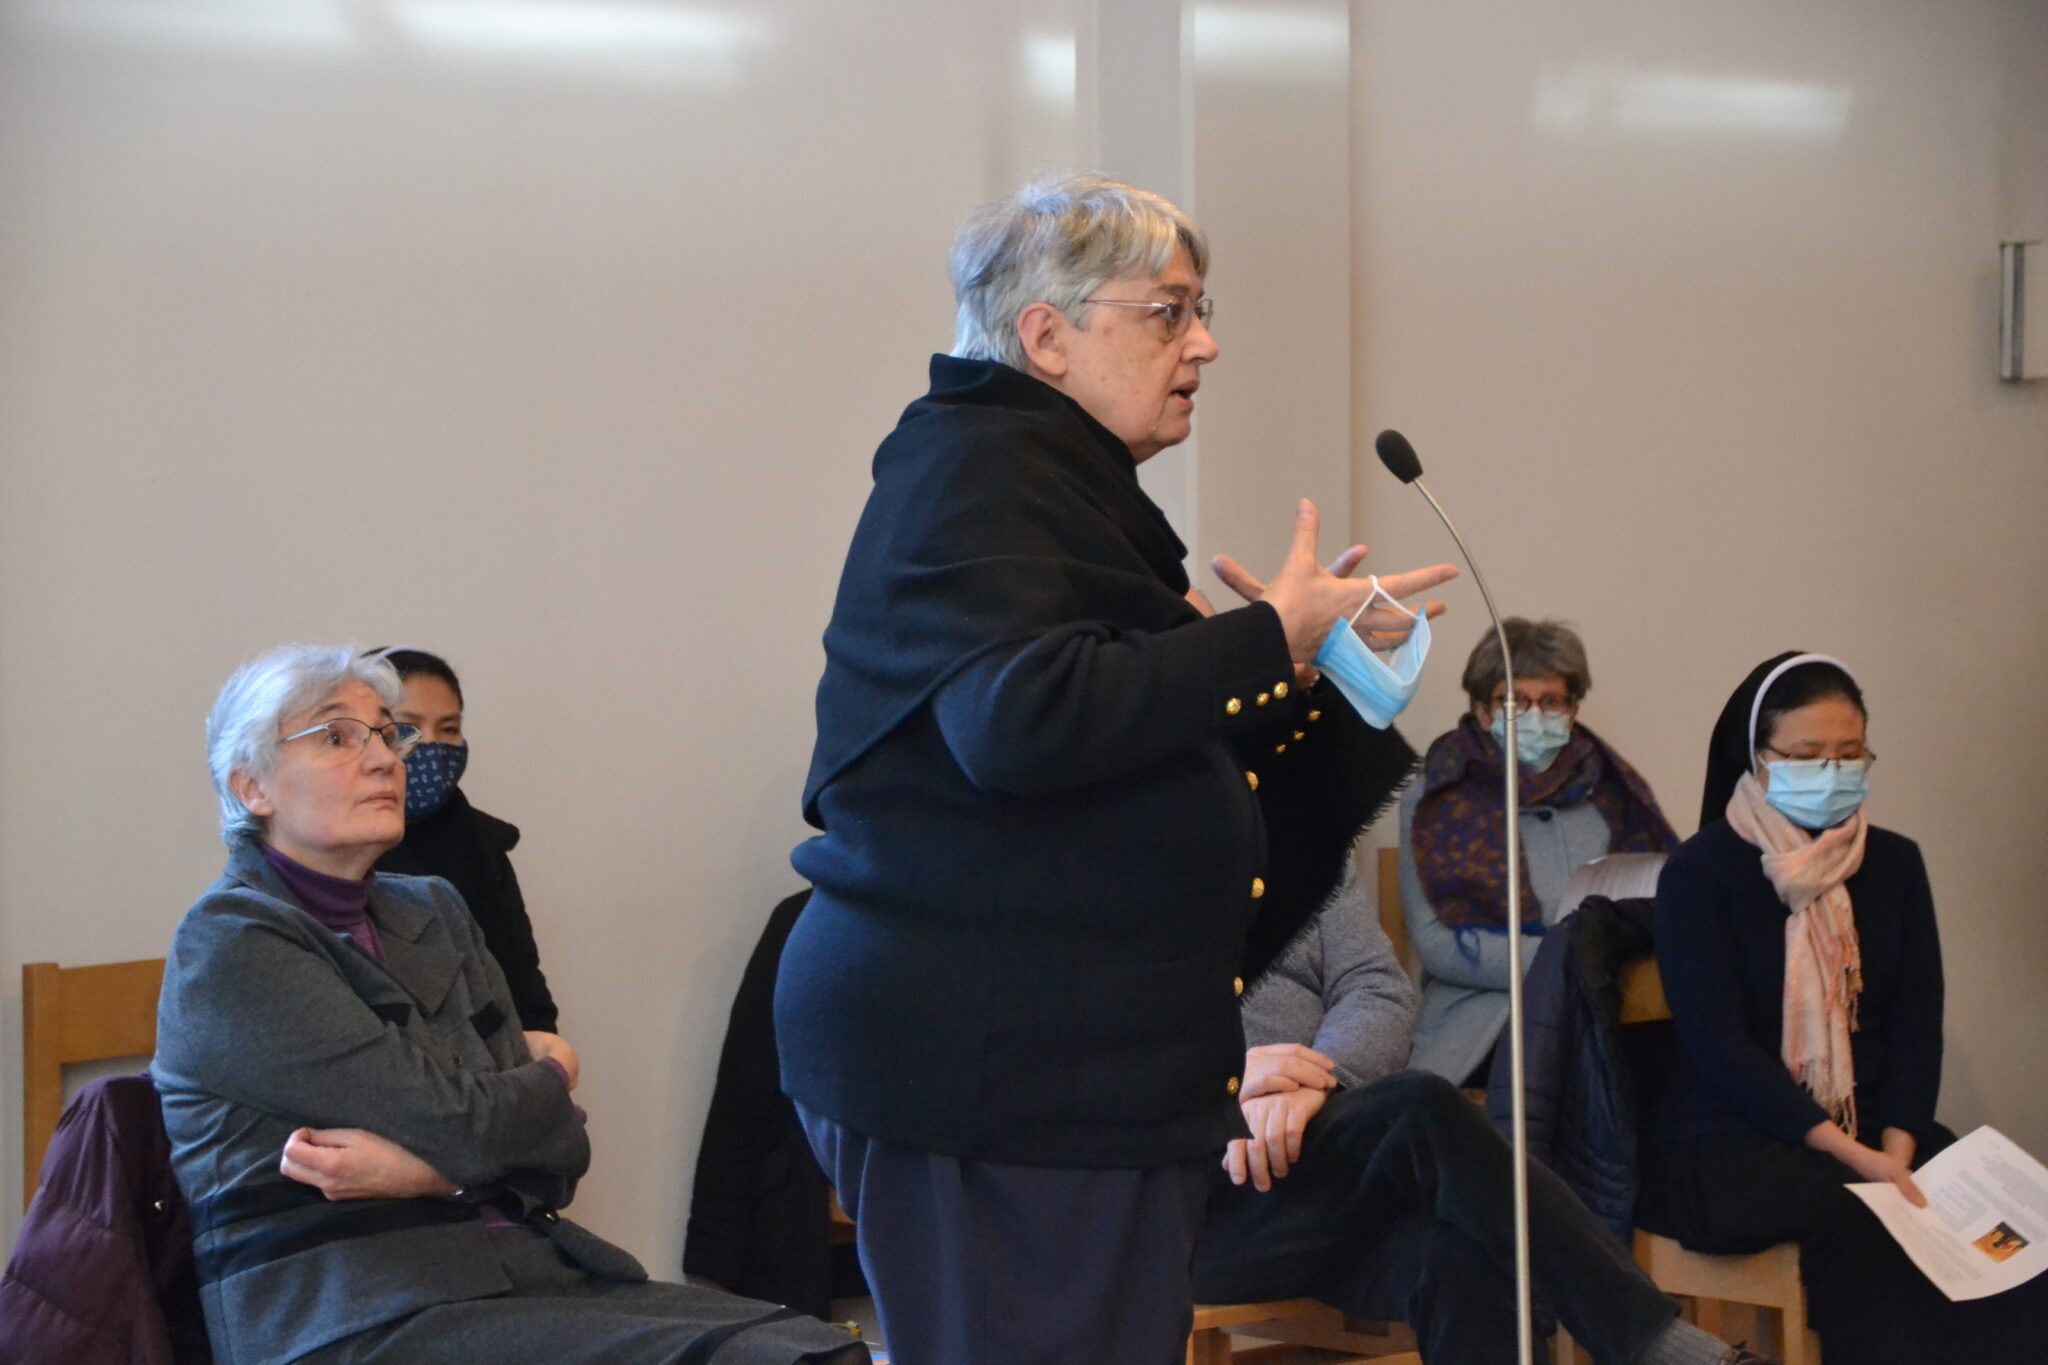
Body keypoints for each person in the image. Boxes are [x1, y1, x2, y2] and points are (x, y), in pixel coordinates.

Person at [777, 173, 1458, 1365]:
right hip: (990, 1069)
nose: (1204, 343)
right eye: (1168, 312)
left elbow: (1147, 754)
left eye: (1200, 312)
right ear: (1046, 335)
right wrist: (1264, 642)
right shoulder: (972, 470)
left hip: (1075, 1070)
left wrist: (1325, 671)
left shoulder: (1053, 485)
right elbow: (1022, 721)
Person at [153, 644, 865, 1365]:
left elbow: (563, 1156)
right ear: (253, 788)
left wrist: (428, 1170)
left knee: (812, 1344)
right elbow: (465, 1123)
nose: (386, 758)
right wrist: (547, 1081)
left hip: (522, 1276)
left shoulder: (431, 906)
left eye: (384, 732)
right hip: (356, 1314)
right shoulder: (233, 943)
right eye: (338, 736)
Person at [1190, 862, 1769, 1365]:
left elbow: (1377, 990)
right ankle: (1654, 1345)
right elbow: (1101, 1054)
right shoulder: (1111, 860)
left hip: (1315, 1163)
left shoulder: (1303, 848)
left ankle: (1651, 1345)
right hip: (1185, 1201)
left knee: (1464, 1260)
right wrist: (1227, 1081)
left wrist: (1321, 1077)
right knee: (1419, 1105)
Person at [1642, 651, 2044, 1363]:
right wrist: (1852, 1152)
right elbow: (1719, 1047)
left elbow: (1919, 1020)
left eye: (1849, 753)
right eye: (1806, 754)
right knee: (1864, 1218)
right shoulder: (1700, 872)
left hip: (1876, 1133)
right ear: (1759, 758)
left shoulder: (1894, 862)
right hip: (1728, 1141)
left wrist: (1897, 1143)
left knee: (2004, 1222)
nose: (1831, 771)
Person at [1400, 619, 1677, 1083]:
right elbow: (1439, 948)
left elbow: (1663, 902)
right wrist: (1570, 956)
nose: (1534, 715)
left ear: (1572, 709)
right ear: (1484, 711)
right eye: (1514, 701)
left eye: (1551, 701)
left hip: (1616, 1006)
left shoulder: (1611, 789)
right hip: (1487, 1019)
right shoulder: (1436, 796)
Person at [371, 646, 559, 1032]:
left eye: (449, 729)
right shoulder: (343, 850)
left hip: (503, 1079)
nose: (432, 747)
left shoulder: (485, 847)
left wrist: (546, 1072)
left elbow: (526, 996)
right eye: (407, 729)